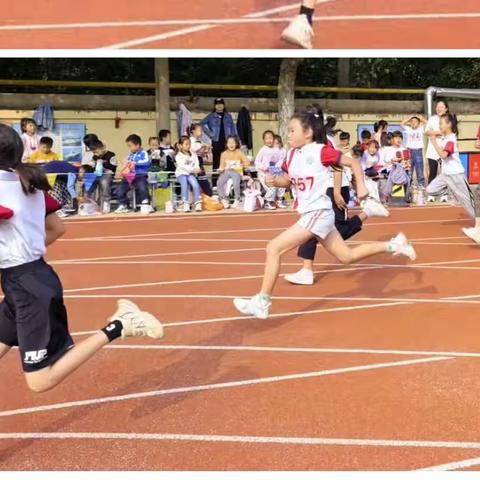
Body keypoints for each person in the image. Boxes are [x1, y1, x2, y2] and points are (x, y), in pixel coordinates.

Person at [0, 124, 164, 393]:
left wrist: (18, 257)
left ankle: (120, 325)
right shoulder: (28, 185)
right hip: (28, 279)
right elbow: (57, 228)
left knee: (40, 380)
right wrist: (20, 252)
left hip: (29, 289)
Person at [233, 111, 416, 319]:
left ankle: (262, 301)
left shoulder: (321, 151)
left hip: (318, 212)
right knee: (347, 256)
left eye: (292, 130)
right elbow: (287, 180)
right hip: (313, 214)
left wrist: (362, 187)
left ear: (308, 133)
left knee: (273, 248)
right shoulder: (291, 154)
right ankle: (395, 245)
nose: (288, 135)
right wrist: (275, 181)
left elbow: (353, 163)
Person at [286, 141, 389, 286]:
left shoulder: (323, 141)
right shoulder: (303, 147)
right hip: (321, 193)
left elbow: (338, 167)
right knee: (312, 230)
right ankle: (306, 270)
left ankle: (368, 213)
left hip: (334, 190)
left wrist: (336, 191)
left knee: (336, 232)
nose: (291, 134)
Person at [426, 113, 480, 244]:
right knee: (430, 190)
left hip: (457, 176)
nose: (439, 126)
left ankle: (478, 230)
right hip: (445, 176)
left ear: (449, 125)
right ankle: (451, 193)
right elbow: (435, 132)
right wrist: (432, 132)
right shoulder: (445, 136)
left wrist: (433, 142)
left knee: (471, 208)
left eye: (441, 123)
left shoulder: (450, 140)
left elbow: (444, 155)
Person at [115, 134, 151, 214]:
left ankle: (145, 203)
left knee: (142, 186)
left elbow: (146, 162)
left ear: (137, 145)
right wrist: (123, 169)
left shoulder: (144, 153)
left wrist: (135, 163)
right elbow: (127, 164)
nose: (129, 148)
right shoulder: (130, 154)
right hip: (129, 176)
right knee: (120, 188)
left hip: (140, 175)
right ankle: (123, 204)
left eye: (130, 146)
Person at [200, 98, 237, 172]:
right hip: (216, 141)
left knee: (227, 161)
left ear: (224, 105)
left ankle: (226, 180)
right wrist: (210, 134)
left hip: (227, 142)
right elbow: (202, 123)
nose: (219, 106)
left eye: (221, 104)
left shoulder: (228, 116)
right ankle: (215, 181)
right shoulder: (211, 116)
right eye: (217, 104)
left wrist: (234, 140)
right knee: (216, 162)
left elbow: (233, 128)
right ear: (215, 106)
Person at [255, 130, 287, 210]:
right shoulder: (263, 150)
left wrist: (276, 167)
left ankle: (279, 200)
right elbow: (257, 161)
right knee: (272, 186)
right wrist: (263, 167)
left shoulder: (277, 149)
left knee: (281, 184)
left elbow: (280, 159)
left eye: (270, 138)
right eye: (266, 138)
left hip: (275, 170)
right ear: (263, 140)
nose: (269, 140)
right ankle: (267, 202)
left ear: (273, 139)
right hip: (264, 173)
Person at [425, 100, 450, 202]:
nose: (439, 108)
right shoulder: (432, 119)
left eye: (441, 107)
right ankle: (431, 194)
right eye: (438, 107)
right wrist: (439, 132)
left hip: (445, 149)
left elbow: (450, 132)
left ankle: (444, 194)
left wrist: (435, 133)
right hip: (432, 150)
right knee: (433, 172)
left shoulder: (449, 119)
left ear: (446, 109)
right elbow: (427, 131)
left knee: (444, 173)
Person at [217, 135, 249, 209]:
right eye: (229, 143)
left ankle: (237, 198)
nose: (231, 145)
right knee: (219, 182)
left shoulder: (239, 152)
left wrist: (242, 164)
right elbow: (221, 166)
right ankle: (223, 199)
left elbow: (247, 163)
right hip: (227, 171)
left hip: (237, 171)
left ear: (236, 144)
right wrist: (221, 169)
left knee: (235, 184)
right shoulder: (224, 154)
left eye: (233, 143)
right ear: (226, 144)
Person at [89, 140, 117, 214]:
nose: (96, 154)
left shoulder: (111, 154)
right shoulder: (95, 157)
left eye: (97, 152)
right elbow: (92, 167)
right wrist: (93, 164)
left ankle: (106, 202)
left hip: (108, 174)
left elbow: (114, 167)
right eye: (94, 152)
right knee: (89, 182)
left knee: (104, 182)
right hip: (98, 174)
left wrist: (103, 164)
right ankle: (90, 203)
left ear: (102, 148)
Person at [175, 136, 202, 213]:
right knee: (185, 184)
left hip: (190, 174)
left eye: (189, 144)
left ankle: (197, 203)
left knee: (195, 184)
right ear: (180, 145)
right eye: (186, 144)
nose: (188, 146)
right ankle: (185, 203)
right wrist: (193, 170)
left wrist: (197, 168)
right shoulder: (178, 156)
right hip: (181, 174)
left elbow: (196, 163)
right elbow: (182, 166)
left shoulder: (193, 154)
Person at [401, 115, 427, 191]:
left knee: (419, 169)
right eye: (412, 122)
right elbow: (401, 124)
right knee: (409, 169)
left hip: (418, 150)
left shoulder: (421, 129)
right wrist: (410, 117)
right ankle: (409, 184)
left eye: (415, 122)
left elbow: (427, 123)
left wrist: (419, 117)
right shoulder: (408, 129)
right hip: (409, 151)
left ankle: (421, 184)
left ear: (419, 123)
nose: (413, 123)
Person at [189, 123, 213, 197]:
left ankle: (208, 195)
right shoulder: (190, 140)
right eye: (200, 130)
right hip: (193, 162)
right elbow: (193, 150)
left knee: (203, 180)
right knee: (196, 181)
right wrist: (202, 146)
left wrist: (206, 149)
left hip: (199, 161)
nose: (202, 132)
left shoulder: (199, 141)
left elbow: (201, 154)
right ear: (193, 131)